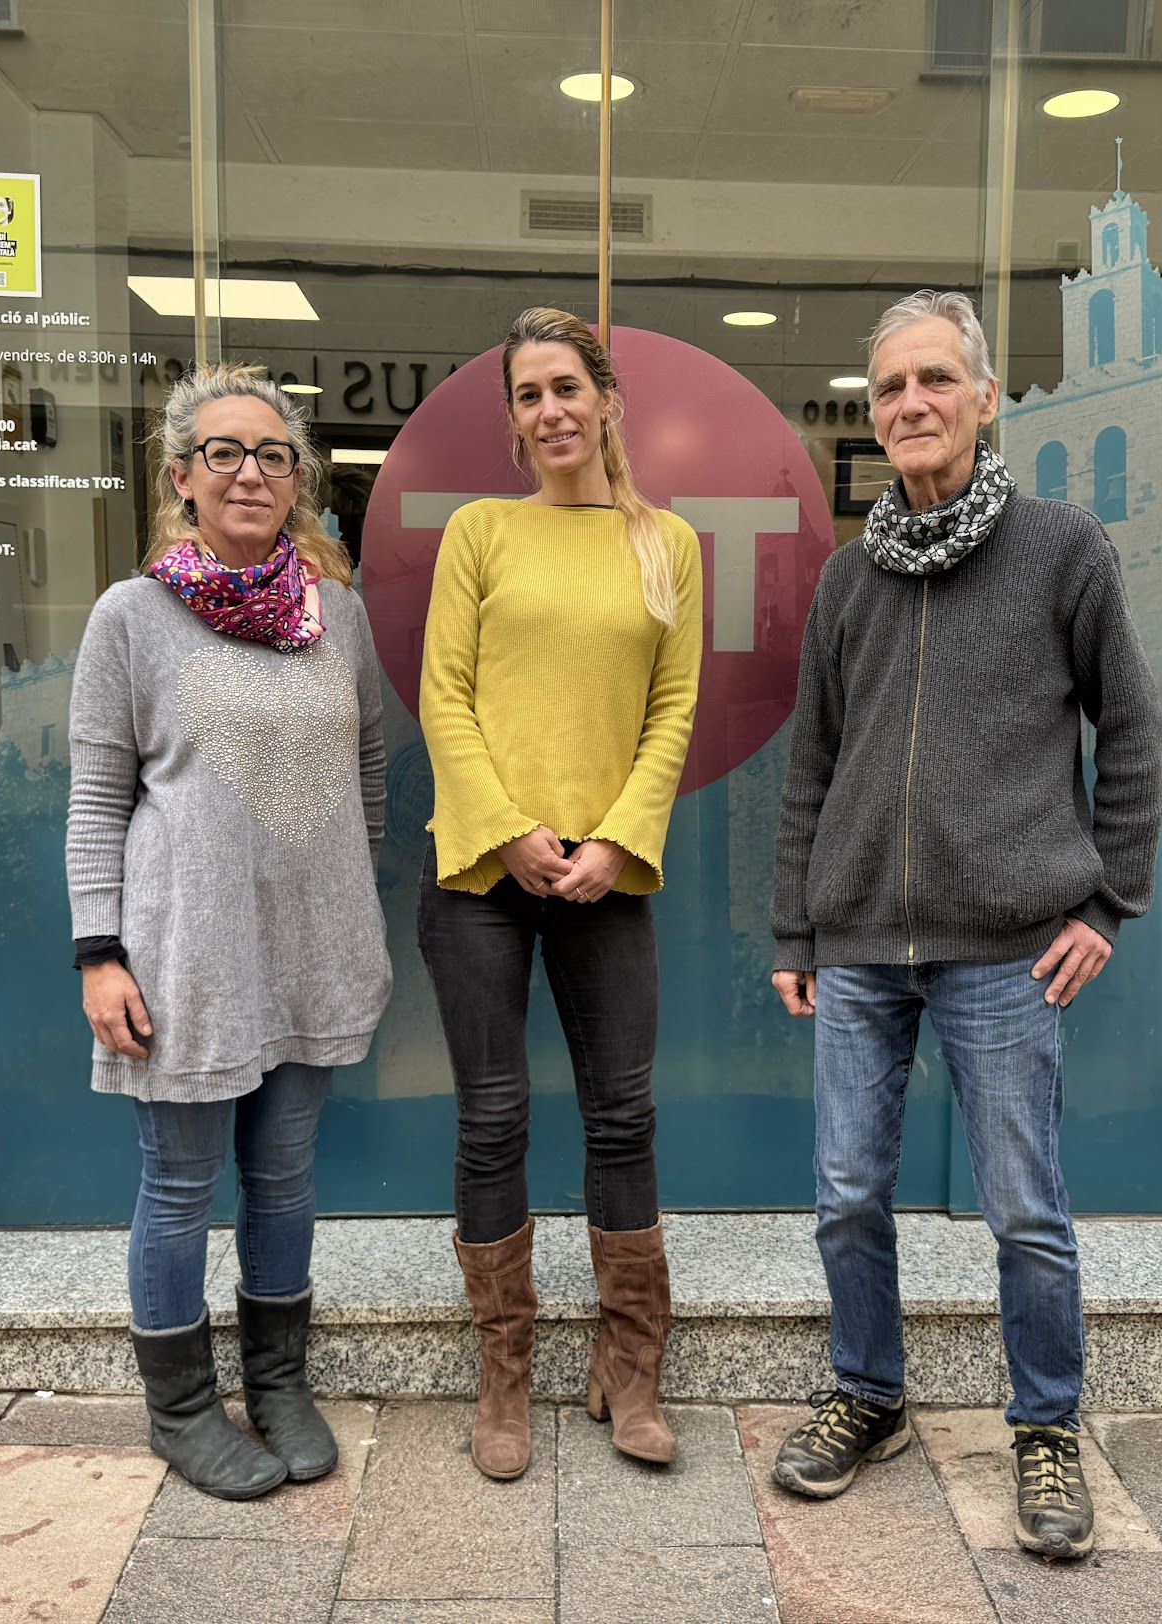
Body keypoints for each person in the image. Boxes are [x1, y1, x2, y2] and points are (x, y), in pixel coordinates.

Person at [767, 290, 1162, 1560]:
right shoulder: (848, 578)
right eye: (890, 387)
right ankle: (868, 1393)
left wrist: (1106, 898)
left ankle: (1046, 1425)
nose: (912, 403)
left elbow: (1133, 730)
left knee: (1025, 1212)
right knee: (846, 1196)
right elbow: (813, 765)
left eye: (936, 379)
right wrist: (795, 927)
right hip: (859, 949)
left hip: (1005, 950)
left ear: (985, 398)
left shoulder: (1063, 549)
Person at [66, 364, 390, 1500]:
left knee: (285, 1177)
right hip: (184, 952)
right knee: (179, 1185)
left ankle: (278, 1384)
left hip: (310, 947)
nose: (250, 472)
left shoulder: (338, 614)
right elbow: (97, 798)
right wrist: (98, 953)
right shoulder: (131, 617)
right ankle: (182, 1410)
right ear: (181, 476)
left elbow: (369, 767)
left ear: (298, 480)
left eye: (272, 455)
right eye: (224, 452)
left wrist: (350, 890)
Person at [418, 307, 703, 1479]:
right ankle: (506, 1374)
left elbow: (674, 709)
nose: (551, 411)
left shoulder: (666, 543)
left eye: (566, 388)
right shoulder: (480, 531)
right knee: (492, 1119)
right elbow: (444, 694)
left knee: (623, 1115)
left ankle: (630, 1366)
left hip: (607, 875)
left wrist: (618, 839)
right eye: (528, 394)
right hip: (482, 873)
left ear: (606, 401)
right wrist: (509, 827)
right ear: (514, 419)